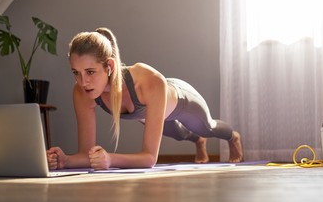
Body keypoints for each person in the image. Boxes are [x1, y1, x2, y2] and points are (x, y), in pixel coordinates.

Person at [47, 28, 243, 170]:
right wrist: (66, 160)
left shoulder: (147, 81)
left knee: (207, 128)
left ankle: (233, 136)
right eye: (76, 73)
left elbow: (149, 158)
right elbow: (85, 153)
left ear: (110, 66)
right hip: (151, 114)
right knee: (180, 134)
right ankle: (198, 141)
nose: (83, 81)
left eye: (90, 72)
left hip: (181, 100)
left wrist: (110, 159)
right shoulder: (82, 92)